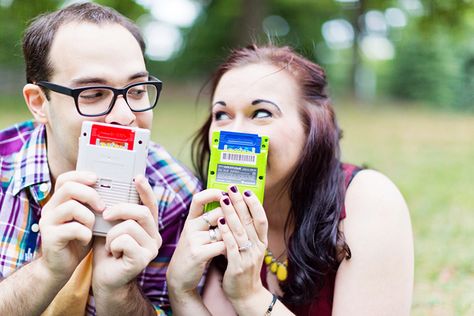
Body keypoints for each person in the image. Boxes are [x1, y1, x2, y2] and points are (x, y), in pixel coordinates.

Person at [166, 44, 414, 315]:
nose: (234, 137)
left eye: (261, 113)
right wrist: (182, 292)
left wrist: (250, 296)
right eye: (222, 115)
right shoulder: (218, 214)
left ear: (312, 126)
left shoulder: (370, 199)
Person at [0, 3, 200, 315]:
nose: (124, 117)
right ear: (39, 103)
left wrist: (117, 292)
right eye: (93, 94)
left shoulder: (177, 197)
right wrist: (46, 272)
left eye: (136, 90)